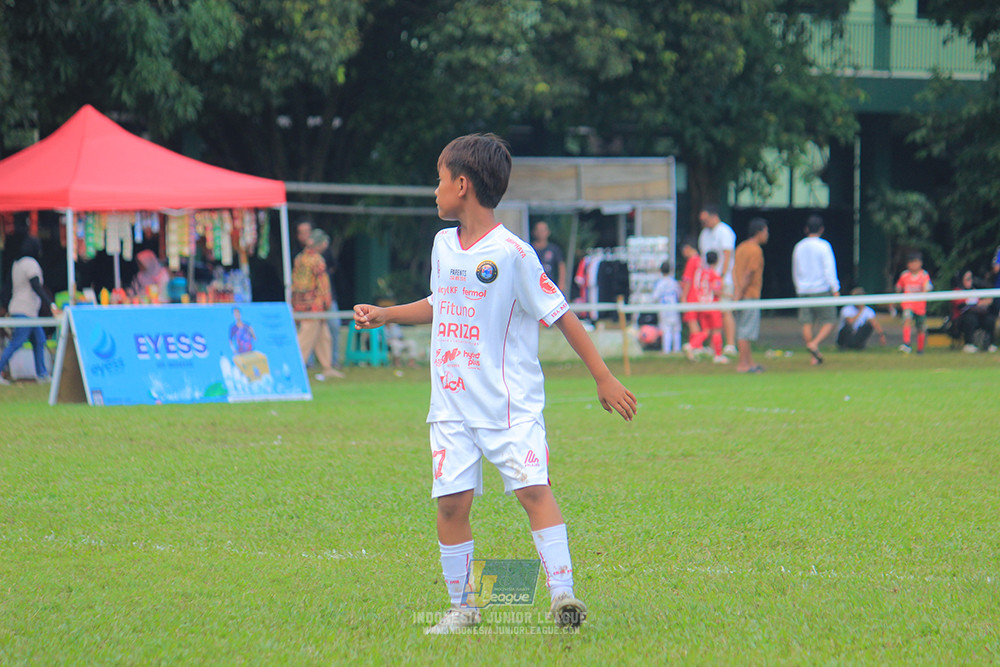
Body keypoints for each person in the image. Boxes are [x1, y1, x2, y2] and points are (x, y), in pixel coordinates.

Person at [353, 133, 637, 635]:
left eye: (439, 180)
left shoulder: (513, 254)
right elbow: (441, 302)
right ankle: (463, 608)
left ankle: (562, 595)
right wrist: (385, 314)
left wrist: (603, 376)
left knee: (533, 491)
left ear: (462, 185)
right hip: (451, 405)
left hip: (508, 407)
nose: (435, 191)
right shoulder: (443, 245)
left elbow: (561, 314)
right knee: (451, 503)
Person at [0, 237, 58, 384]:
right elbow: (36, 286)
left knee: (39, 340)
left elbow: (8, 287)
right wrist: (50, 303)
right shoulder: (31, 264)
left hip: (25, 310)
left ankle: (42, 374)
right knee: (16, 342)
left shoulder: (17, 264)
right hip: (25, 310)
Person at [292, 229, 343, 380]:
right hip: (314, 305)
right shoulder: (317, 260)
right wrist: (326, 301)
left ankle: (327, 367)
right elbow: (322, 283)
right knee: (306, 337)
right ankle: (296, 369)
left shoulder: (300, 258)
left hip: (301, 303)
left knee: (323, 336)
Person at [791, 214, 840, 365]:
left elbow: (795, 269)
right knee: (830, 320)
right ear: (821, 229)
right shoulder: (824, 246)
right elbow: (829, 268)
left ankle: (813, 355)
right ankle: (814, 344)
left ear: (806, 229)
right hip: (821, 289)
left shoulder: (799, 246)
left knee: (807, 323)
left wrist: (798, 287)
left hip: (803, 290)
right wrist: (835, 288)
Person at [698, 204, 737, 354]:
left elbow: (727, 255)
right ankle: (714, 345)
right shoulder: (704, 234)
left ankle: (730, 344)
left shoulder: (724, 231)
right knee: (711, 313)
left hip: (722, 279)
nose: (704, 223)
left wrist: (721, 276)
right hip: (708, 281)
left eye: (706, 220)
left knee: (725, 311)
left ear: (714, 217)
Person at [732, 217, 769, 373]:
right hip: (749, 295)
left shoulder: (741, 247)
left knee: (744, 329)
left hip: (740, 294)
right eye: (766, 231)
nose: (767, 235)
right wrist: (740, 292)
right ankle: (743, 364)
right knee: (745, 332)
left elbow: (735, 271)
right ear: (759, 232)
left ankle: (750, 362)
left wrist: (736, 291)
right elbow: (749, 272)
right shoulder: (755, 250)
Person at [684, 251, 727, 363]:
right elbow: (716, 290)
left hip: (703, 305)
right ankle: (718, 355)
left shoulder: (702, 273)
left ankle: (691, 345)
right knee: (717, 331)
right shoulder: (715, 274)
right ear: (717, 261)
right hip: (713, 305)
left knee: (705, 331)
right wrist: (727, 294)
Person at [894, 252, 933, 354]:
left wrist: (924, 293)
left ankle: (920, 349)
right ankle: (906, 343)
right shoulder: (905, 275)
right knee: (907, 319)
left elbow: (927, 287)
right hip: (908, 304)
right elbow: (899, 288)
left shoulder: (924, 275)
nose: (913, 265)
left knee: (921, 327)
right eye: (911, 262)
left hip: (920, 306)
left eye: (916, 262)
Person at [951, 270, 997, 353]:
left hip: (976, 316)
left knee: (989, 319)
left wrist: (981, 303)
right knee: (970, 318)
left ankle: (989, 344)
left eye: (971, 278)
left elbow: (978, 303)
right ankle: (968, 344)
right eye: (967, 279)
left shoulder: (974, 290)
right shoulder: (957, 291)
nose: (970, 281)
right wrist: (978, 303)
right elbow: (962, 307)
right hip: (961, 319)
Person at [650, 260, 681, 353]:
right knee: (676, 330)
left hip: (664, 309)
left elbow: (654, 297)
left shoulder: (660, 283)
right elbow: (679, 294)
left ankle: (666, 350)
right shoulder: (674, 282)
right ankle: (677, 350)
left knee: (666, 330)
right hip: (674, 308)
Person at [531, 220, 567, 296]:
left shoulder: (554, 249)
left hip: (550, 286)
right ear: (534, 232)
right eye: (538, 230)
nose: (541, 233)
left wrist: (561, 285)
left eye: (543, 230)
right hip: (534, 286)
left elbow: (561, 265)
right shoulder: (530, 249)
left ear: (548, 232)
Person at [679, 238, 703, 351]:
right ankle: (697, 344)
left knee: (692, 321)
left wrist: (684, 296)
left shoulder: (691, 261)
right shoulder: (701, 260)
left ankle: (696, 345)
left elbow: (688, 280)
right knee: (698, 321)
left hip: (692, 295)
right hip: (700, 294)